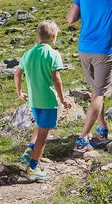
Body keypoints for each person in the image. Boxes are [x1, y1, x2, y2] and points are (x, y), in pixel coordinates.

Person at [67, 0, 112, 152]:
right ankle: (82, 138)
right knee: (99, 94)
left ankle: (102, 128)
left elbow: (70, 19)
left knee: (96, 90)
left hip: (84, 49)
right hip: (104, 50)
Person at [14, 20, 72, 181]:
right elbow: (56, 79)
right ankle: (32, 168)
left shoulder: (28, 53)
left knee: (39, 128)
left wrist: (19, 92)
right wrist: (62, 98)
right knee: (43, 136)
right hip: (48, 100)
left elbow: (17, 74)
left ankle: (30, 150)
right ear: (53, 37)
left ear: (37, 37)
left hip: (33, 99)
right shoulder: (54, 54)